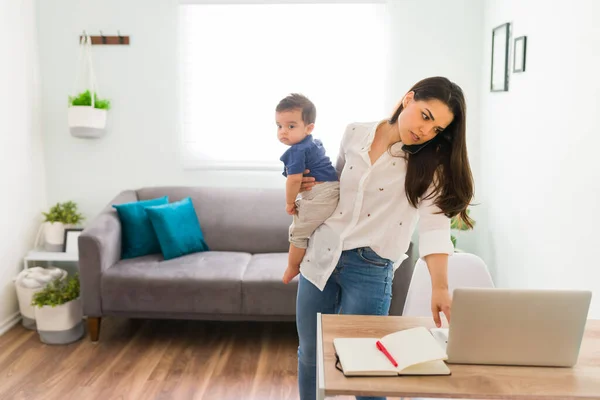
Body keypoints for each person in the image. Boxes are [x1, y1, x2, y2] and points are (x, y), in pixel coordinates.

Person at [294, 77, 474, 400]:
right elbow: (334, 188)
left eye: (436, 129)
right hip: (321, 254)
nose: (424, 130)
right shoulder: (354, 132)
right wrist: (308, 185)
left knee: (368, 367)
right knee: (309, 354)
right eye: (426, 116)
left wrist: (441, 287)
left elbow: (435, 227)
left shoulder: (430, 164)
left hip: (371, 270)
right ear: (408, 99)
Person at [276, 93, 340, 284]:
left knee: (298, 233)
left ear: (309, 127)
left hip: (320, 194)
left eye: (291, 126)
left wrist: (289, 202)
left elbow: (294, 180)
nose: (283, 131)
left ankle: (292, 267)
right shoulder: (314, 143)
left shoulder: (296, 151)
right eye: (279, 126)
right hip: (331, 190)